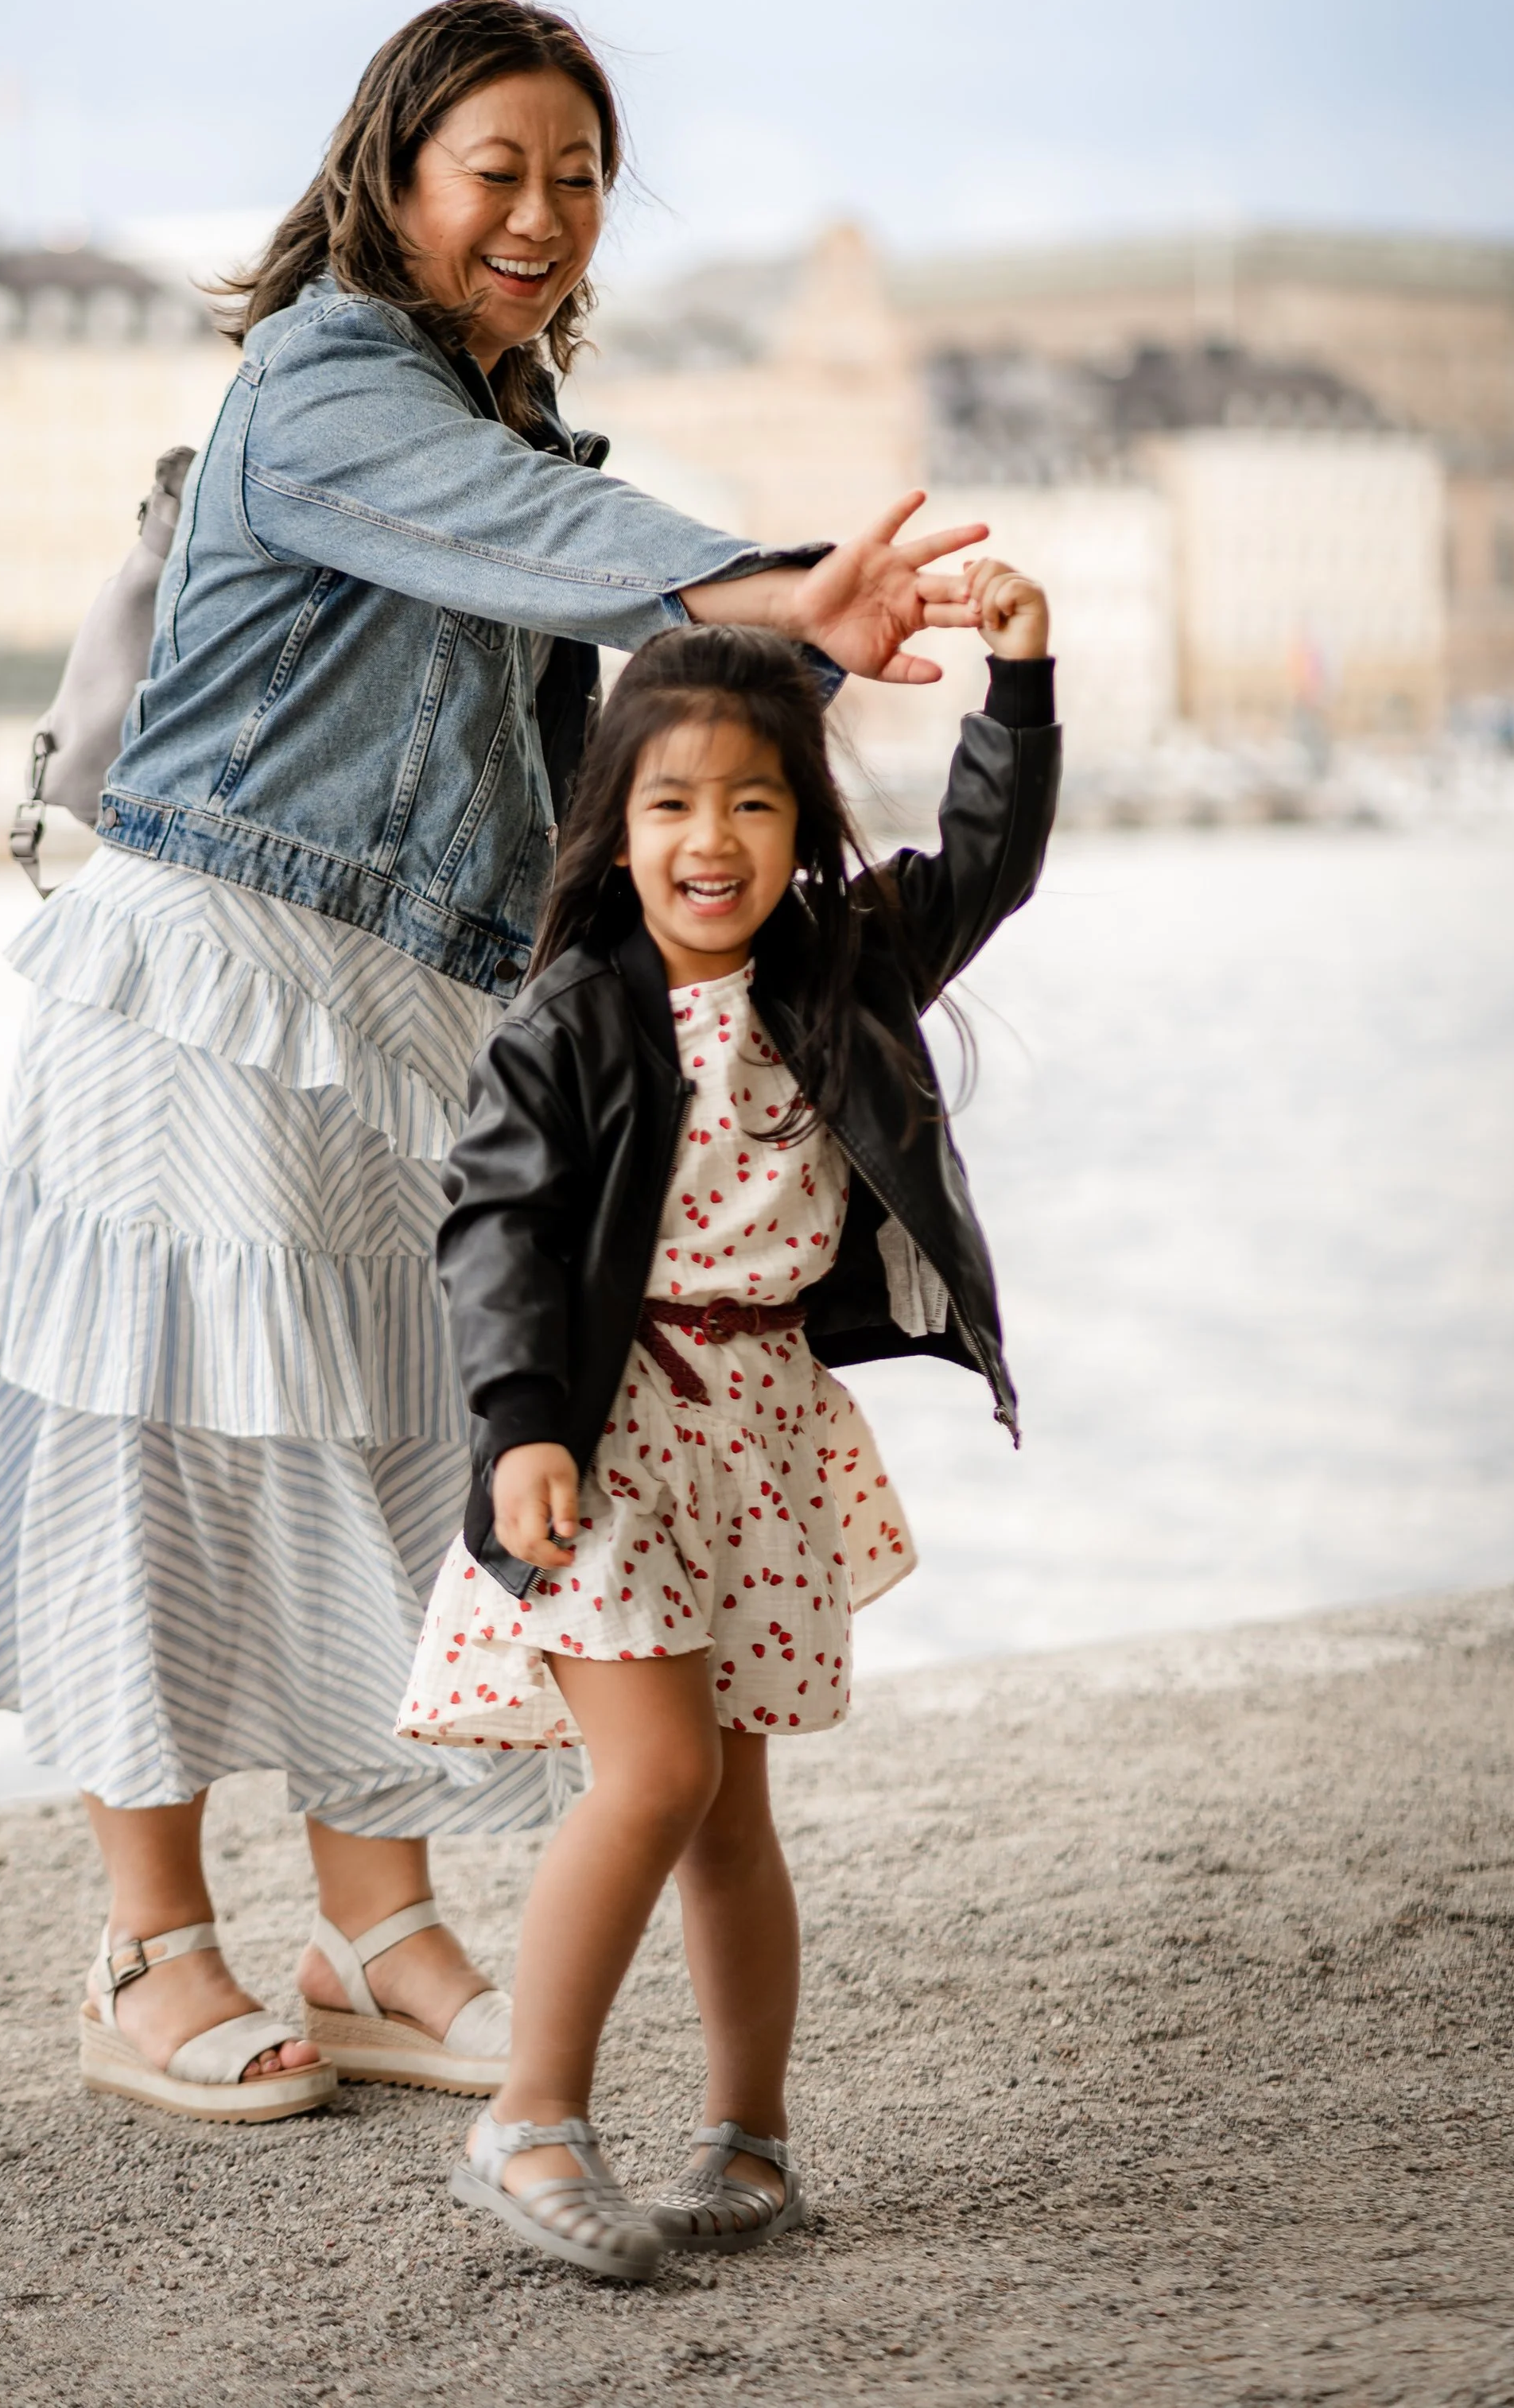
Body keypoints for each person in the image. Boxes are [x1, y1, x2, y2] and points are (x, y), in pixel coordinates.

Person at [0, 0, 993, 2124]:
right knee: (169, 1444)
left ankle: (369, 1927)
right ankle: (144, 1942)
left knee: (390, 1441)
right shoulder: (318, 381)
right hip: (213, 969)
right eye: (501, 169)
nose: (545, 214)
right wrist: (757, 588)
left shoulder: (507, 419)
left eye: (580, 177)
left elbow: (546, 711)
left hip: (411, 1003)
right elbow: (530, 548)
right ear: (390, 175)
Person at [399, 585, 1058, 2274]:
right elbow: (495, 1233)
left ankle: (745, 2141)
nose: (713, 837)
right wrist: (521, 1426)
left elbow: (984, 860)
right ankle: (525, 2120)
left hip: (760, 1433)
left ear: (800, 826)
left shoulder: (838, 968)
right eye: (672, 802)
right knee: (657, 1773)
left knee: (729, 1815)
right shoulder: (571, 1020)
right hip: (607, 1436)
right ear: (615, 832)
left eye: (752, 801)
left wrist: (1020, 685)